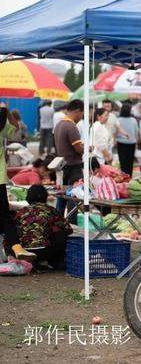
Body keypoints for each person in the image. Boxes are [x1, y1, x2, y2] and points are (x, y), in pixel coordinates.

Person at [0, 103, 36, 261]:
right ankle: (16, 247)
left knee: (4, 215)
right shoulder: (2, 130)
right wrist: (6, 111)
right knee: (5, 215)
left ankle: (14, 247)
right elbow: (16, 126)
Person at [13, 185, 72, 270]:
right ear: (45, 197)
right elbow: (68, 230)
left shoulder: (22, 211)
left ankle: (33, 262)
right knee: (61, 233)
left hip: (21, 252)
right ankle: (53, 262)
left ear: (28, 197)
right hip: (44, 252)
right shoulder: (51, 210)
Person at [53, 99, 85, 185]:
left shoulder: (59, 124)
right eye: (82, 114)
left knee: (63, 194)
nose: (81, 117)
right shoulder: (71, 126)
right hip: (73, 167)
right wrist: (88, 148)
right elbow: (78, 148)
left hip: (63, 166)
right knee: (75, 194)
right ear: (78, 111)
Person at [116, 103, 138, 176]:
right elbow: (136, 133)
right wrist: (137, 144)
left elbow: (116, 132)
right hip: (132, 144)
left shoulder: (118, 120)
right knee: (130, 163)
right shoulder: (133, 120)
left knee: (123, 162)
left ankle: (124, 178)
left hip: (121, 143)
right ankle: (129, 177)